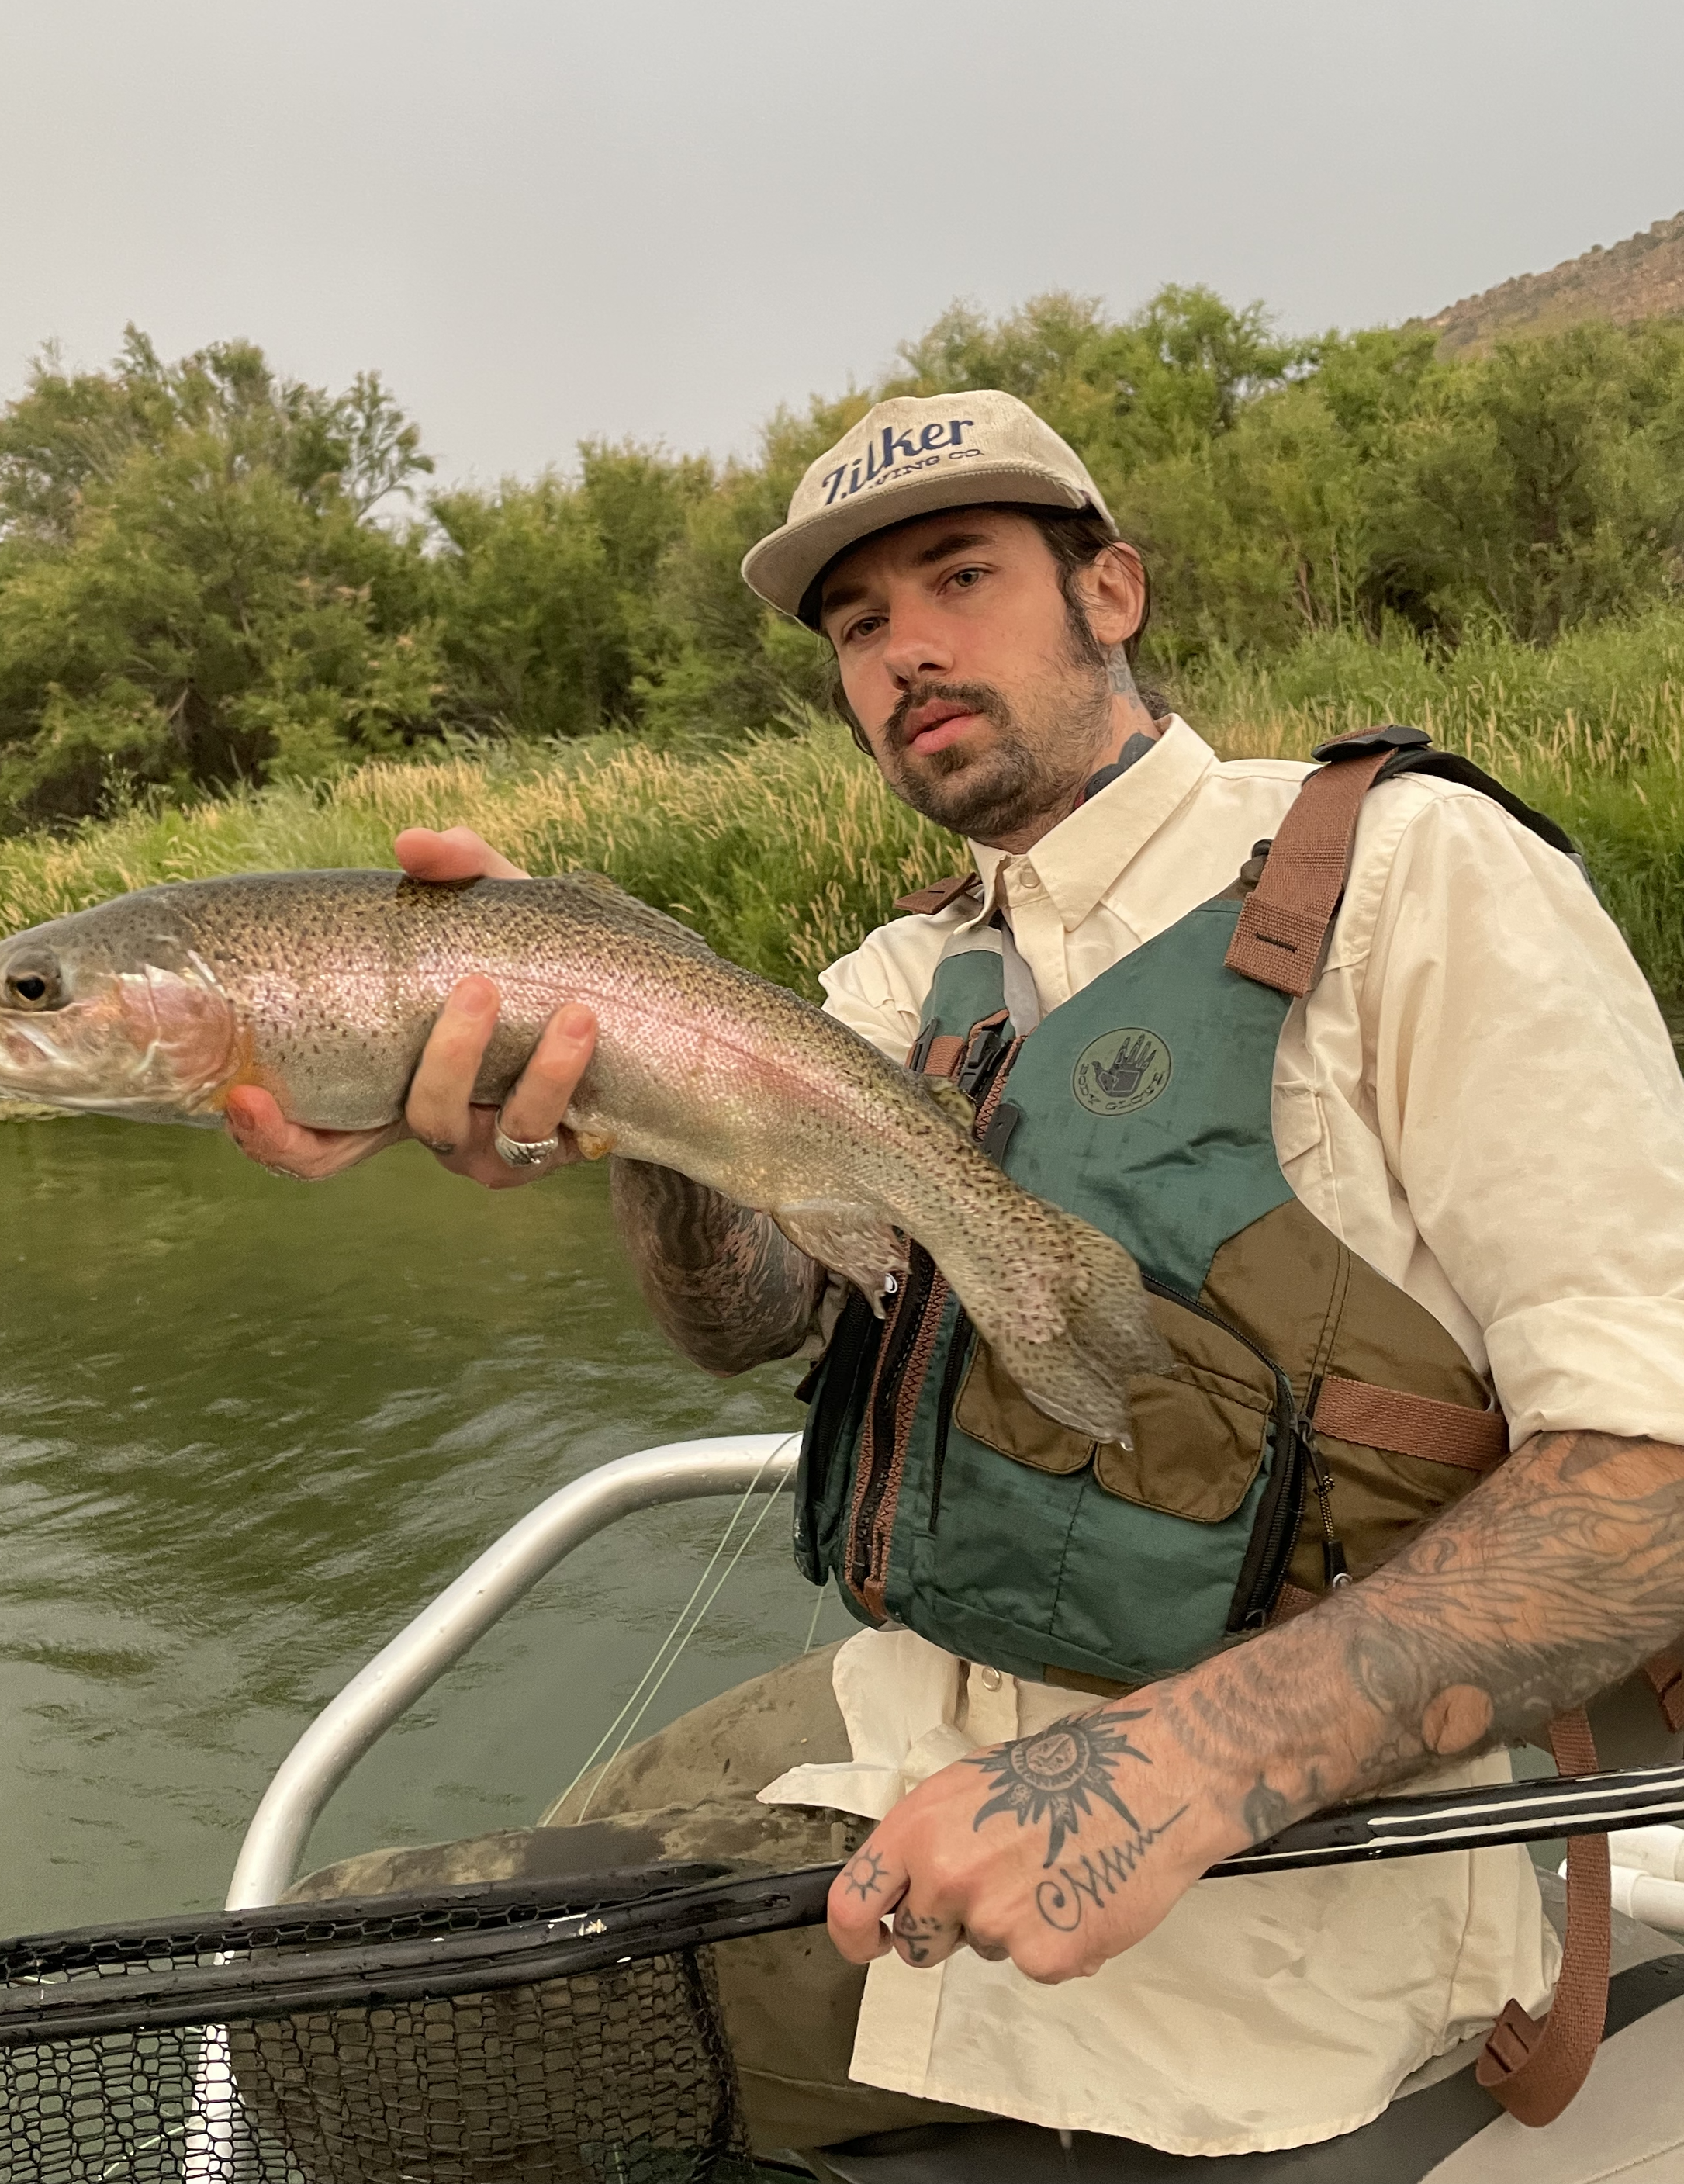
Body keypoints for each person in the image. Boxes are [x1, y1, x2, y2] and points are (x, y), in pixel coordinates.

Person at [226, 392, 1684, 2172]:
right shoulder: (909, 969)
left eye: (960, 577)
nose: (902, 646)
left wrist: (1182, 1763)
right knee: (509, 1853)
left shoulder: (1414, 874)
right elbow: (741, 1318)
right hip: (913, 1697)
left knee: (339, 2014)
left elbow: (1652, 1474)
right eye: (852, 625)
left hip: (1270, 1895)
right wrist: (620, 1066)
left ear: (1113, 593)